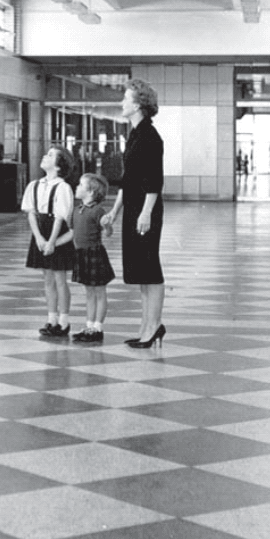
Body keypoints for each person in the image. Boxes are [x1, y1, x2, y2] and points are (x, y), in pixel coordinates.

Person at [102, 78, 166, 348]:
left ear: (138, 104)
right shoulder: (135, 135)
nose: (121, 103)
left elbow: (154, 180)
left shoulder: (150, 136)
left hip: (144, 209)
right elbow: (128, 181)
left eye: (126, 98)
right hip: (134, 208)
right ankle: (146, 326)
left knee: (150, 268)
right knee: (141, 271)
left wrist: (146, 212)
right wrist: (115, 211)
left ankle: (154, 326)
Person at [22, 145, 76, 337]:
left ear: (59, 165)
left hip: (56, 231)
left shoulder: (63, 187)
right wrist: (38, 237)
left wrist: (52, 241)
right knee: (47, 278)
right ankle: (51, 318)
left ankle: (63, 321)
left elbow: (61, 217)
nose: (45, 156)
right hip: (40, 230)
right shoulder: (34, 185)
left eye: (51, 155)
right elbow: (31, 213)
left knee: (60, 278)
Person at [71, 173, 115, 344]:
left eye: (80, 185)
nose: (77, 187)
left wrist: (107, 225)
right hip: (81, 254)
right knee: (89, 292)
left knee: (99, 292)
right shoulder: (77, 210)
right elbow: (73, 232)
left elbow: (108, 232)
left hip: (94, 253)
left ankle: (98, 327)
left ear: (90, 192)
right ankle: (89, 326)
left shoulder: (97, 211)